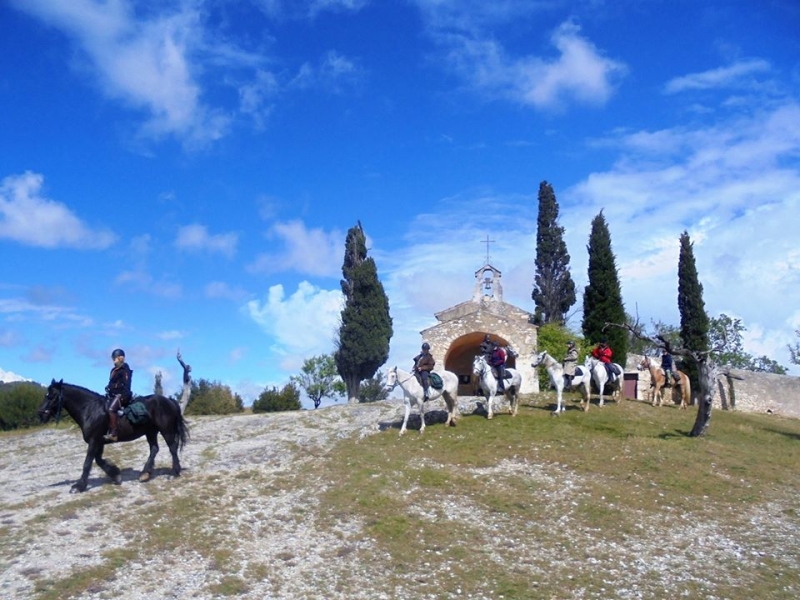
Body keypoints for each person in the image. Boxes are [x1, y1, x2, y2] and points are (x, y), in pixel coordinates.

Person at [104, 348, 133, 442]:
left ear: (120, 358)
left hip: (122, 395)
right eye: (113, 358)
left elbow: (125, 384)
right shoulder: (113, 370)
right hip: (113, 394)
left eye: (115, 358)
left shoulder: (125, 369)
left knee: (111, 409)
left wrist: (113, 387)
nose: (113, 360)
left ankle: (114, 434)